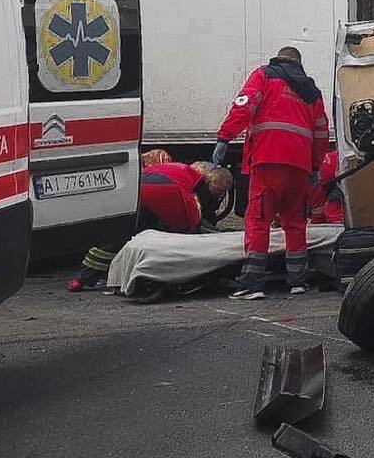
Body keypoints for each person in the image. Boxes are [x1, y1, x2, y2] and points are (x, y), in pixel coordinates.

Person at [213, 46, 330, 300]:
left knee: (259, 219)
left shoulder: (264, 75)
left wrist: (224, 137)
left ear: (279, 58)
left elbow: (244, 106)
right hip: (300, 166)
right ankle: (298, 282)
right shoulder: (311, 92)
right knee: (296, 222)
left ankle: (253, 284)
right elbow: (322, 131)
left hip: (268, 159)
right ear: (299, 64)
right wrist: (316, 166)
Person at [69, 161, 233, 292]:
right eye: (218, 191)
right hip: (164, 190)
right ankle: (162, 273)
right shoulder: (200, 185)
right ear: (210, 181)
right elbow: (201, 217)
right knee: (184, 233)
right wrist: (215, 234)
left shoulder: (183, 168)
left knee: (122, 234)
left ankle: (82, 278)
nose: (219, 196)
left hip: (140, 186)